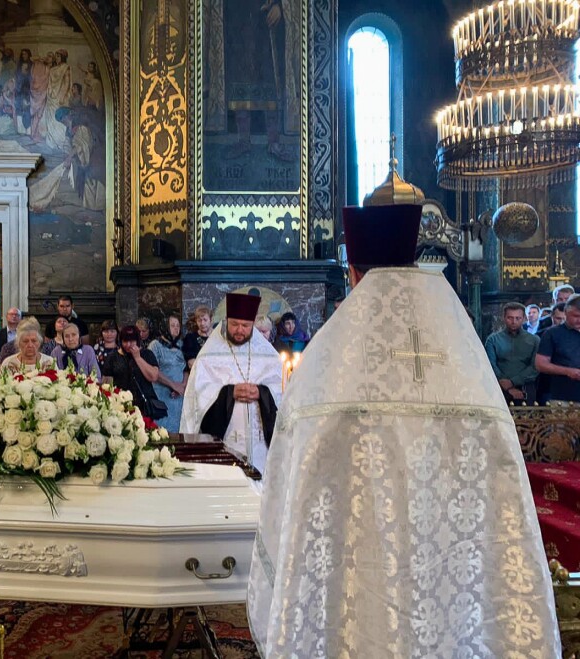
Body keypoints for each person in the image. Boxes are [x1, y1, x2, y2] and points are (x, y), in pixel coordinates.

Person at [248, 204, 559, 657]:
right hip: (456, 598)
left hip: (354, 591)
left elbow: (289, 494)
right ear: (415, 264)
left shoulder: (324, 373)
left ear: (352, 272)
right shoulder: (466, 367)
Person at [180, 293, 282, 474]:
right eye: (234, 324)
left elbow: (282, 392)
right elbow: (197, 398)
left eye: (245, 326)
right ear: (226, 322)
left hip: (262, 449)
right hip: (224, 444)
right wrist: (229, 393)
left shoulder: (269, 356)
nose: (239, 330)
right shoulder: (208, 356)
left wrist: (262, 393)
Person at [484, 302, 539, 404]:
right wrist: (504, 383)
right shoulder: (493, 339)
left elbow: (535, 366)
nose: (514, 321)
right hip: (498, 386)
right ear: (504, 318)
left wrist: (513, 382)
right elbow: (490, 364)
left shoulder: (534, 340)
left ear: (524, 318)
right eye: (510, 318)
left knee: (527, 419)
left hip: (526, 386)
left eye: (518, 318)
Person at [102, 326, 161, 418]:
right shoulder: (113, 357)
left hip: (143, 405)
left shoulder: (147, 354)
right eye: (125, 341)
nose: (129, 345)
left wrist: (137, 358)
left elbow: (153, 376)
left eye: (132, 341)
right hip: (121, 405)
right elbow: (106, 383)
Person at [535, 293, 580, 403]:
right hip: (562, 395)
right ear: (566, 313)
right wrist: (568, 371)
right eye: (576, 316)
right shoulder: (552, 333)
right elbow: (540, 364)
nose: (579, 320)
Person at [148, 315, 188, 433]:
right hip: (162, 394)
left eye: (178, 326)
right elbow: (151, 370)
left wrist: (182, 385)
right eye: (172, 325)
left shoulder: (182, 344)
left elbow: (187, 369)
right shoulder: (155, 345)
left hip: (179, 395)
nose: (176, 328)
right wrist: (173, 385)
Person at [0, 307, 21, 375]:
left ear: (20, 318)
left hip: (20, 369)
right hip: (0, 370)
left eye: (17, 315)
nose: (14, 316)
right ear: (6, 317)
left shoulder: (24, 335)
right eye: (11, 314)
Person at [182, 305, 213, 369]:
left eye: (205, 320)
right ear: (196, 321)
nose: (202, 323)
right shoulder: (190, 338)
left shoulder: (218, 337)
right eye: (199, 320)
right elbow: (191, 363)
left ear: (211, 319)